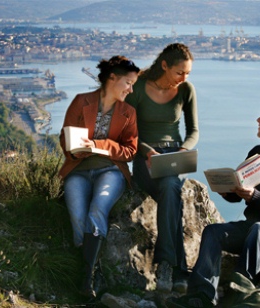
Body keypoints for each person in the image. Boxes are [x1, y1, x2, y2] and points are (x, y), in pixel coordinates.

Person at [168, 98, 260, 308]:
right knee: (213, 232)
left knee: (259, 229)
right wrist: (229, 190)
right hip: (251, 228)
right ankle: (201, 297)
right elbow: (240, 193)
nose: (258, 119)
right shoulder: (257, 152)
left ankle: (239, 294)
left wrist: (255, 196)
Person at [58, 55, 140, 298]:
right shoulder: (80, 102)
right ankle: (90, 264)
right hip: (79, 169)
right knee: (77, 217)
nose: (131, 89)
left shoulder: (129, 113)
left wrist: (99, 145)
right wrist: (75, 148)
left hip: (111, 170)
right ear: (112, 78)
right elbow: (65, 139)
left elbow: (130, 151)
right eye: (128, 82)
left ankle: (86, 278)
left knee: (98, 209)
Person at [125, 43, 199, 293]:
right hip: (146, 155)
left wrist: (183, 150)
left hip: (175, 155)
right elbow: (129, 132)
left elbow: (194, 131)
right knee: (171, 192)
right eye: (180, 72)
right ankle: (178, 270)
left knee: (170, 185)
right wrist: (147, 152)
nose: (184, 78)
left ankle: (166, 264)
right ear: (164, 65)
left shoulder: (186, 89)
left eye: (188, 73)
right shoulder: (138, 88)